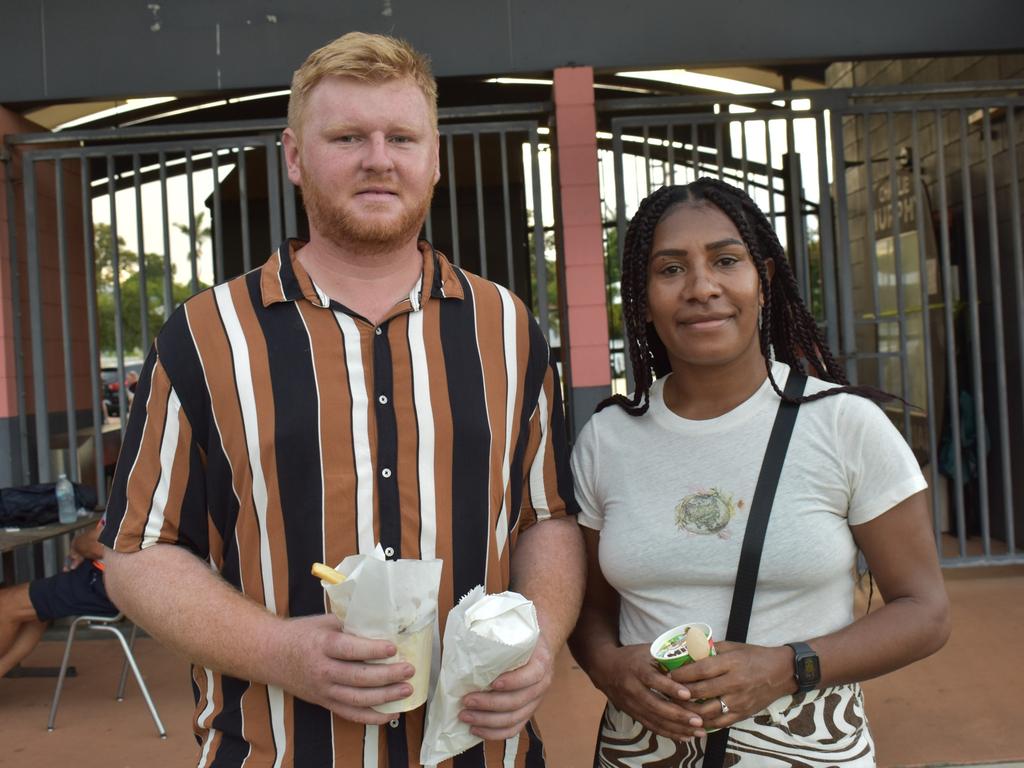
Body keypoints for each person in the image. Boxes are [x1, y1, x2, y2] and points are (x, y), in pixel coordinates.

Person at [99, 31, 584, 767]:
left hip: (485, 753)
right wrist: (279, 650)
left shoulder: (509, 328)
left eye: (401, 137)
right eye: (347, 136)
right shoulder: (205, 335)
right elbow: (137, 550)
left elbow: (544, 520)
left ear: (434, 157)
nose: (378, 159)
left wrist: (540, 643)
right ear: (295, 157)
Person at [569, 179, 950, 766]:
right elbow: (592, 611)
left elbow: (924, 613)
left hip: (808, 752)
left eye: (726, 261)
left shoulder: (844, 425)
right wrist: (608, 667)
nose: (702, 288)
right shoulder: (608, 439)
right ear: (642, 298)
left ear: (764, 280)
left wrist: (785, 667)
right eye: (670, 270)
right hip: (641, 752)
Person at [0, 524, 114, 679]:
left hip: (104, 583)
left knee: (6, 604)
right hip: (109, 580)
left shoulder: (135, 501)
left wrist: (78, 543)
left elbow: (100, 544)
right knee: (36, 608)